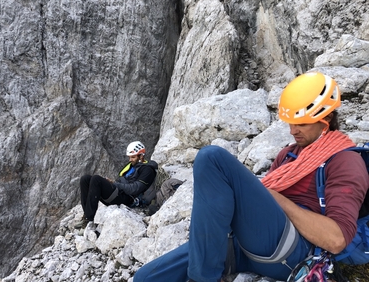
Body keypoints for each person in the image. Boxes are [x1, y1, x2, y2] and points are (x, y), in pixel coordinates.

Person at [133, 72, 369, 282]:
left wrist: (278, 199)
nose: (292, 130)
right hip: (250, 243)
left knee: (211, 158)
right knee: (146, 277)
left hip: (292, 251)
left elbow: (337, 239)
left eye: (302, 124)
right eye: (290, 123)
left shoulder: (345, 162)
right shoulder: (289, 155)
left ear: (325, 122)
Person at [75, 141, 157, 230]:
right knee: (85, 179)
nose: (130, 160)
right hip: (119, 193)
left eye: (133, 157)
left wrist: (114, 184)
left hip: (128, 198)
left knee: (96, 179)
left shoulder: (147, 170)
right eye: (129, 157)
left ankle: (89, 220)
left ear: (141, 156)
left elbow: (135, 189)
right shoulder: (132, 166)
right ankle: (86, 216)